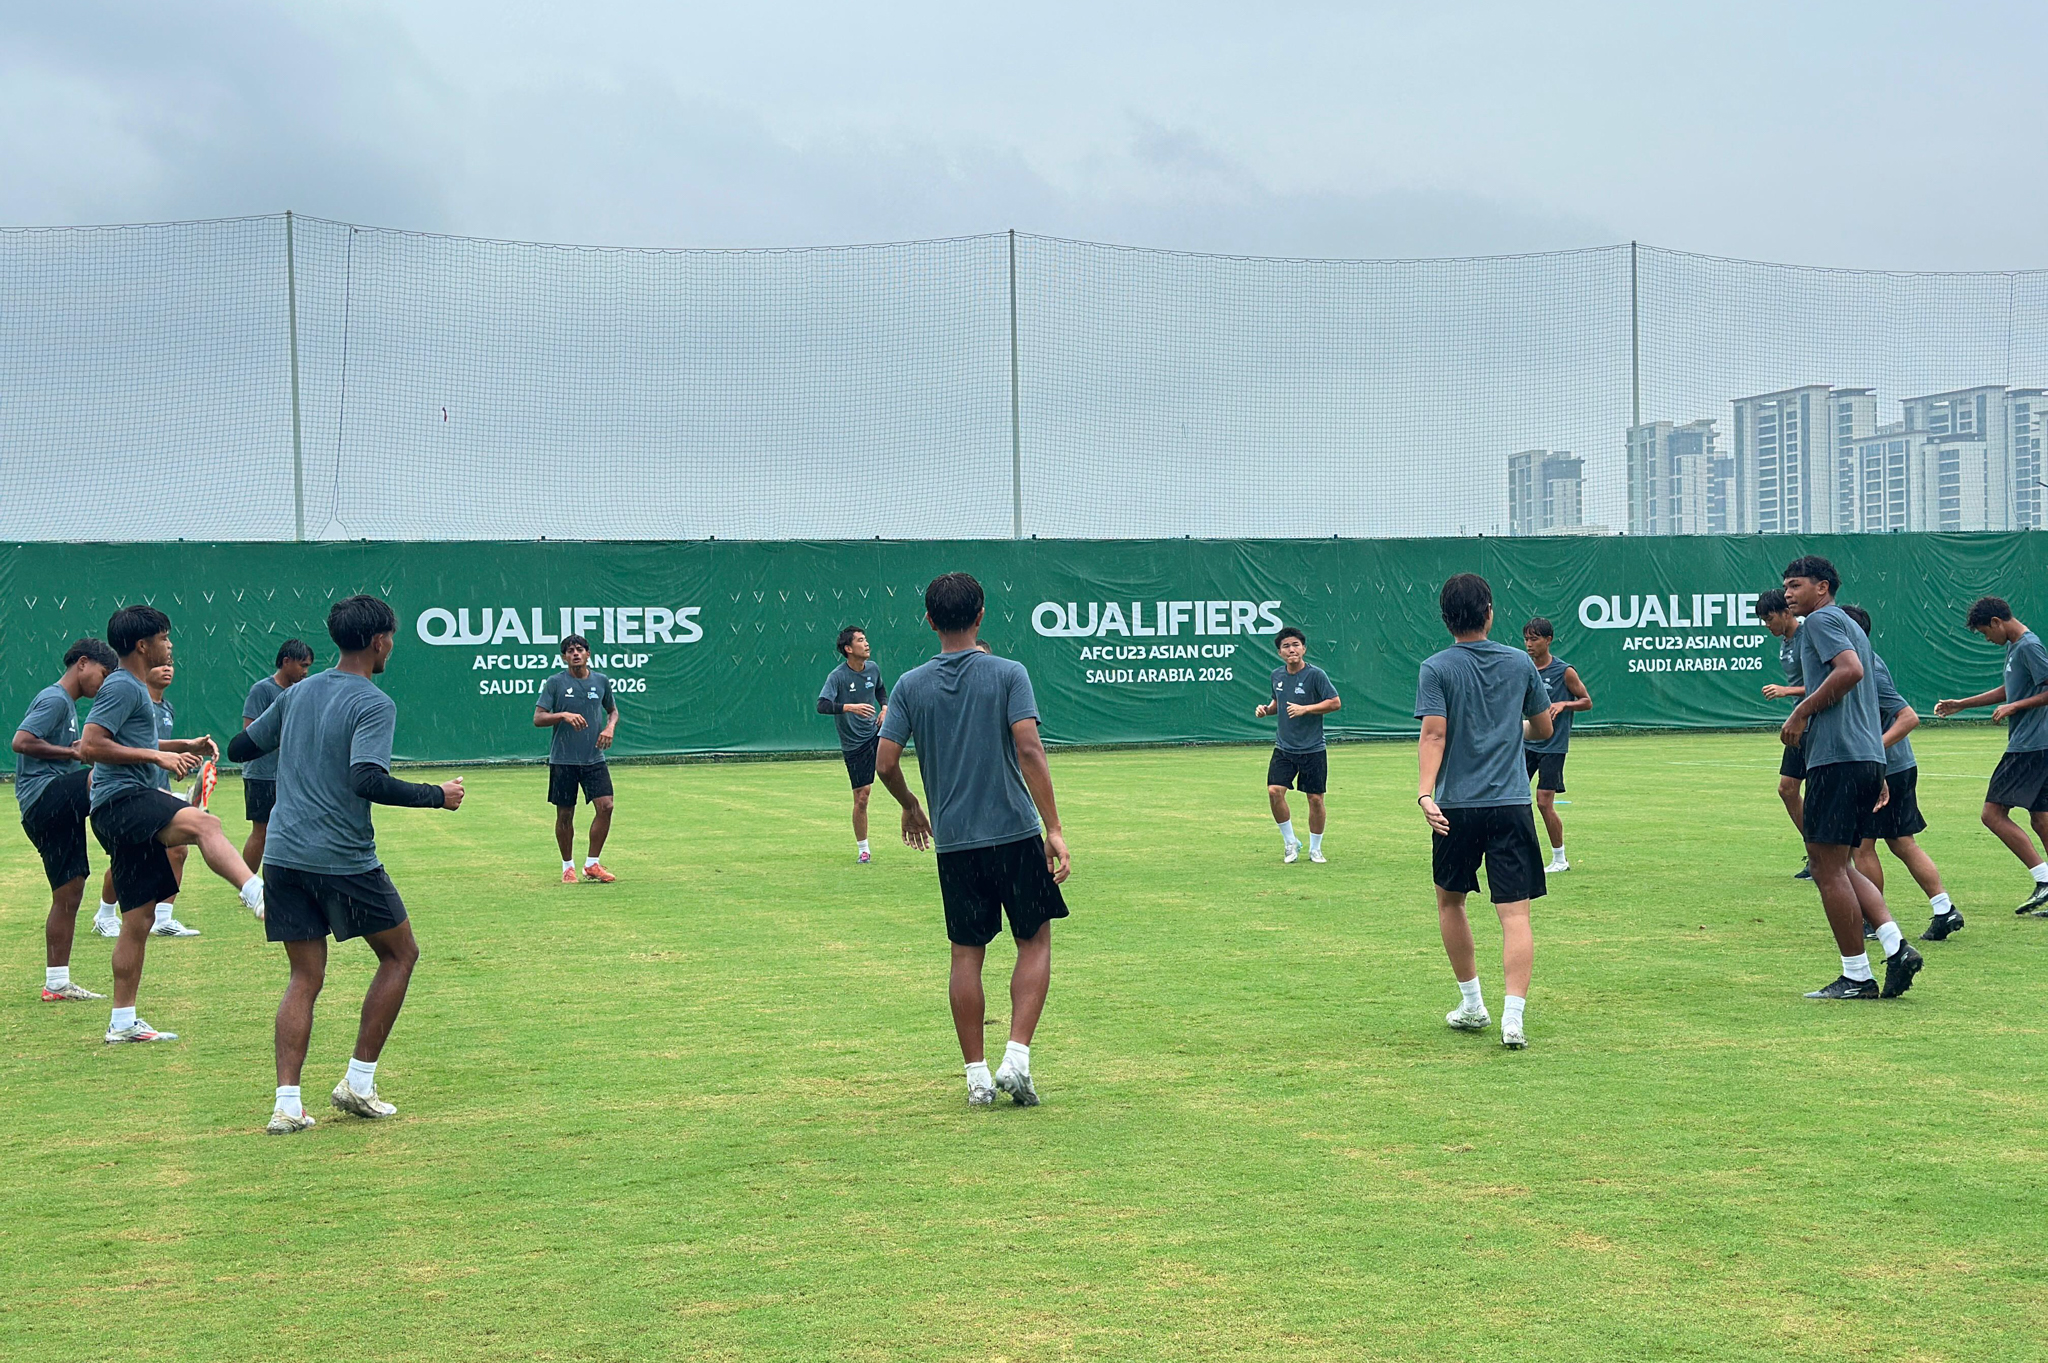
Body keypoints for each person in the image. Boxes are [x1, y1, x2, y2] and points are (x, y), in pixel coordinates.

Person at [227, 595, 465, 1134]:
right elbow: (367, 779)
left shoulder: (296, 692)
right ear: (379, 641)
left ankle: (286, 1104)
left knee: (304, 977)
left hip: (283, 857)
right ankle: (358, 1083)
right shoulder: (374, 702)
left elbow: (243, 746)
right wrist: (437, 795)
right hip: (341, 859)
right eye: (392, 640)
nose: (391, 648)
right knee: (401, 954)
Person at [876, 572, 1069, 1109]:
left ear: (930, 620)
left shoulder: (910, 684)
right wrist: (1053, 828)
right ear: (981, 614)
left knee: (967, 954)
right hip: (1013, 833)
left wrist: (913, 805)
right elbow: (1029, 748)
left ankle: (977, 1077)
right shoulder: (1009, 673)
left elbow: (885, 762)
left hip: (955, 842)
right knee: (1034, 941)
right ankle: (1018, 1059)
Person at [80, 605, 265, 1044]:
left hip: (119, 806)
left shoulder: (134, 689)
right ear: (143, 645)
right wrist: (158, 757)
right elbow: (90, 744)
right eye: (164, 637)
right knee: (205, 824)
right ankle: (259, 894)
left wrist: (182, 744)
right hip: (121, 801)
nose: (170, 645)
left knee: (139, 918)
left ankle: (122, 1023)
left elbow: (131, 739)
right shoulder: (123, 686)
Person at [1416, 573, 1553, 1050]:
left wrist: (1424, 794)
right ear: (1490, 611)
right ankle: (1513, 1018)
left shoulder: (1435, 667)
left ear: (1445, 618)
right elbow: (1542, 729)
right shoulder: (1520, 663)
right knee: (1514, 915)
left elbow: (1434, 733)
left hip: (1454, 807)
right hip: (1512, 804)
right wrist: (1510, 730)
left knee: (1450, 902)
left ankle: (1473, 1004)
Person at [1778, 557, 1923, 1000]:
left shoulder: (1820, 621)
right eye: (1785, 586)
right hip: (1863, 759)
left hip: (1837, 759)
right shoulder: (1852, 626)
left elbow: (1850, 673)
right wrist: (1874, 765)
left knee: (1826, 867)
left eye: (1796, 585)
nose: (1787, 593)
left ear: (1822, 587)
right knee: (1838, 864)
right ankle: (1896, 949)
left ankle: (1857, 976)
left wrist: (1800, 711)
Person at [1839, 605, 1961, 942]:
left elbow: (1908, 718)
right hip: (1895, 766)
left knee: (1864, 847)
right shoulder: (1856, 663)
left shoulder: (1868, 668)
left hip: (1887, 771)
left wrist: (1873, 754)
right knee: (1901, 842)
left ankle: (1873, 920)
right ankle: (1944, 909)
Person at [14, 638, 118, 1001]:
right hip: (42, 797)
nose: (102, 685)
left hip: (57, 807)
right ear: (83, 664)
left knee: (71, 889)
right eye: (103, 675)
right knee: (102, 773)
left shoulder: (70, 707)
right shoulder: (55, 698)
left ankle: (56, 983)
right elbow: (21, 741)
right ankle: (167, 803)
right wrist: (71, 753)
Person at [1934, 596, 2048, 915]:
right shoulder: (2015, 646)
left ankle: (2043, 878)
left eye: (1986, 632)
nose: (1988, 639)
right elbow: (2011, 689)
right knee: (2040, 819)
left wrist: (2016, 707)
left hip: (2029, 746)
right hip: (2037, 745)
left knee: (1992, 814)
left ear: (1997, 622)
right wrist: (1962, 704)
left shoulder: (2028, 646)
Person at [1253, 627, 1341, 863]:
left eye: (1295, 645)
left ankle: (1316, 848)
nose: (1291, 649)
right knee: (1274, 791)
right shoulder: (1277, 676)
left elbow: (1335, 703)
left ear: (1303, 648)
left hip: (1313, 749)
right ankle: (1290, 842)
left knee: (1315, 799)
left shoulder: (1316, 675)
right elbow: (1277, 704)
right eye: (1286, 646)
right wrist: (1266, 710)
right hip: (1284, 748)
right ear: (1280, 652)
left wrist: (1306, 709)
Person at [534, 635, 618, 883]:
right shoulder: (555, 683)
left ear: (588, 654)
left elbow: (612, 711)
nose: (575, 654)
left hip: (594, 758)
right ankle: (567, 867)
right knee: (565, 815)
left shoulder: (601, 681)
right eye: (570, 651)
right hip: (564, 760)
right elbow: (538, 718)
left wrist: (610, 727)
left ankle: (592, 864)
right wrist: (563, 715)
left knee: (607, 806)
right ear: (564, 657)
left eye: (579, 650)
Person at [1521, 617, 1591, 872]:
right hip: (1527, 744)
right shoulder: (1523, 669)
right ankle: (1519, 854)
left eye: (1534, 639)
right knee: (1513, 799)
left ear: (1548, 640)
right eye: (1527, 639)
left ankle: (1559, 859)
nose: (1529, 644)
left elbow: (1586, 701)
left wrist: (1564, 704)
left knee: (1542, 802)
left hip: (1553, 747)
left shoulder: (1564, 671)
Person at [240, 639, 315, 875]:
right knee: (261, 831)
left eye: (308, 667)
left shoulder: (302, 692)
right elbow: (248, 733)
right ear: (286, 662)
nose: (305, 672)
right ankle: (247, 885)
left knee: (296, 830)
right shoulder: (262, 690)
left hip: (291, 777)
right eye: (302, 665)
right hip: (261, 776)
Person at [817, 626, 889, 862]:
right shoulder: (837, 677)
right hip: (854, 745)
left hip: (876, 734)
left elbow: (880, 689)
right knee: (862, 796)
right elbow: (822, 705)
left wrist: (885, 708)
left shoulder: (873, 668)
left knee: (894, 766)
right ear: (848, 649)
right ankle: (863, 850)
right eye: (860, 640)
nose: (866, 643)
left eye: (865, 639)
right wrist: (850, 707)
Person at [1758, 588, 1814, 880]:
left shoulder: (1810, 636)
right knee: (1787, 789)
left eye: (1769, 618)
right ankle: (1815, 851)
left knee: (1819, 793)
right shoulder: (1786, 641)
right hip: (1799, 724)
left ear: (1786, 613)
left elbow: (1829, 682)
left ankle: (1831, 855)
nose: (1767, 625)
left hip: (1820, 724)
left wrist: (1786, 691)